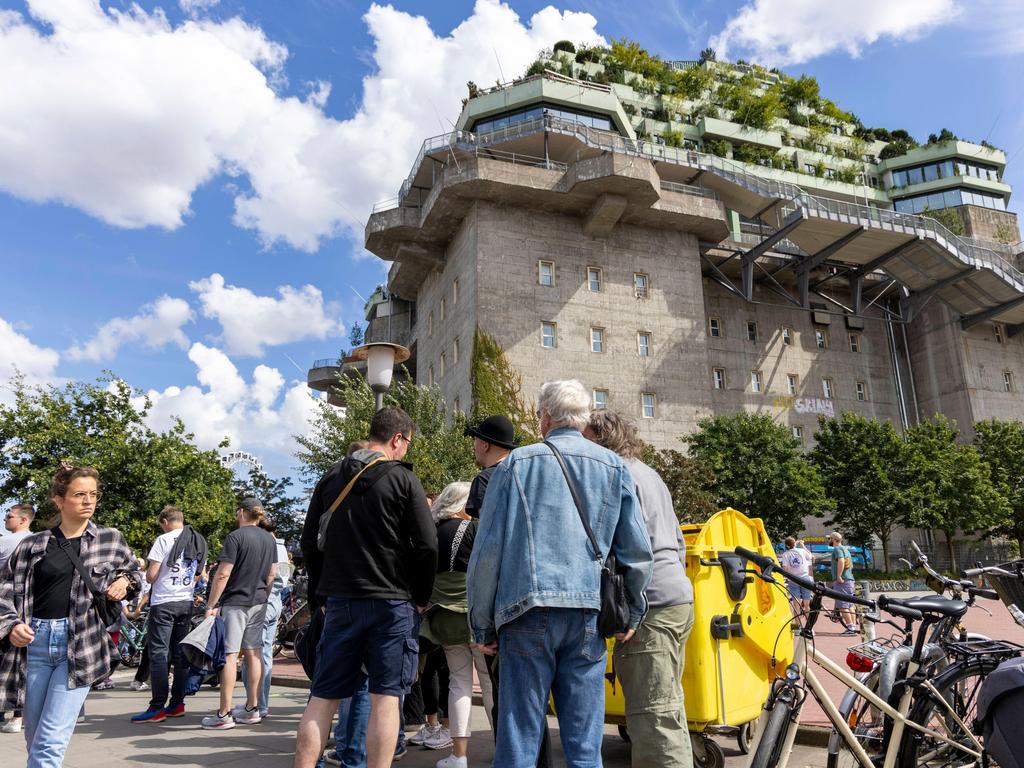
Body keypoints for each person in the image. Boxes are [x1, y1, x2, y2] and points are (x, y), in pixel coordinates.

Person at [467, 380, 653, 768]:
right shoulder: (613, 466)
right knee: (585, 746)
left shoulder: (517, 464)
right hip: (587, 613)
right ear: (582, 419)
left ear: (546, 418)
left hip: (525, 612)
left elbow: (487, 555)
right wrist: (633, 610)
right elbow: (636, 550)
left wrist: (482, 625)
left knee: (518, 740)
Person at [295, 407, 437, 768]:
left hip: (340, 600)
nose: (406, 450)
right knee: (385, 698)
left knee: (323, 697)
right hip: (392, 602)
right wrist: (420, 598)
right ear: (397, 439)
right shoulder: (404, 480)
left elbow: (310, 544)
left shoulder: (330, 479)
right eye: (407, 443)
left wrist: (320, 597)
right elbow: (427, 545)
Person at [0, 464, 141, 767]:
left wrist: (124, 582)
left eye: (93, 494)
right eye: (80, 494)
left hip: (79, 645)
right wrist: (11, 625)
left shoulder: (110, 539)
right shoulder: (32, 544)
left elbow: (133, 574)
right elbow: (4, 590)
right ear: (59, 500)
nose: (89, 501)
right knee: (35, 736)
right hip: (33, 645)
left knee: (51, 740)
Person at [585, 410, 694, 768]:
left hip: (651, 605)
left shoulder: (616, 475)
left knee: (653, 717)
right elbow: (677, 541)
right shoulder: (650, 474)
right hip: (677, 597)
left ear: (600, 440)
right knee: (667, 705)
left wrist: (633, 608)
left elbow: (631, 549)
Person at [419, 482, 494, 768]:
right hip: (477, 618)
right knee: (487, 683)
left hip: (445, 620)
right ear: (463, 504)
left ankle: (459, 756)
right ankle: (504, 749)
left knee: (458, 683)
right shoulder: (474, 530)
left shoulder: (431, 533)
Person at [202, 498, 278, 730]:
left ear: (243, 512)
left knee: (230, 655)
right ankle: (251, 708)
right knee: (254, 653)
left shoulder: (235, 537)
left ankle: (224, 713)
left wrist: (211, 604)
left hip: (236, 601)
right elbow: (272, 574)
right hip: (259, 600)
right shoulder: (269, 539)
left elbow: (223, 574)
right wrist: (263, 592)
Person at [131, 505, 208, 723]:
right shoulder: (198, 540)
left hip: (164, 602)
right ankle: (177, 703)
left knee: (158, 654)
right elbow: (198, 575)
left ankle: (157, 707)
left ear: (165, 521)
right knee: (179, 654)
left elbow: (152, 576)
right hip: (185, 601)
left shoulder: (163, 540)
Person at [239, 516, 291, 720]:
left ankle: (254, 703)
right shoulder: (282, 549)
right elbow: (284, 579)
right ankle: (261, 703)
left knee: (252, 656)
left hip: (261, 601)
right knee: (265, 653)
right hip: (276, 603)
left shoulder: (264, 545)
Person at [0, 503, 34, 734]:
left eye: (9, 516)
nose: (5, 519)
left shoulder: (7, 542)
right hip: (29, 607)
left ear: (23, 520)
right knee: (26, 662)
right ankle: (20, 715)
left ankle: (10, 713)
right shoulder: (41, 541)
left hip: (6, 605)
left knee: (7, 661)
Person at [463, 416, 517, 520]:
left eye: (475, 440)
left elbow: (487, 527)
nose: (473, 446)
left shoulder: (485, 479)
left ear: (485, 446)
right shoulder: (522, 474)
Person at [828, 532, 857, 635]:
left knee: (842, 605)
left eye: (829, 539)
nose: (829, 541)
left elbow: (841, 561)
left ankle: (850, 628)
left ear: (833, 539)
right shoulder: (845, 549)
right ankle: (853, 626)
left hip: (842, 581)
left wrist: (839, 576)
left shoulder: (837, 549)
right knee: (849, 605)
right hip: (849, 580)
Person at [780, 537, 812, 614]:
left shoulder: (785, 554)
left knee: (796, 605)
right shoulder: (802, 551)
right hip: (805, 578)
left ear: (786, 545)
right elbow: (810, 556)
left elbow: (785, 568)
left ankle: (798, 624)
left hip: (793, 579)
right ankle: (808, 624)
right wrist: (802, 545)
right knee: (807, 604)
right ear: (795, 544)